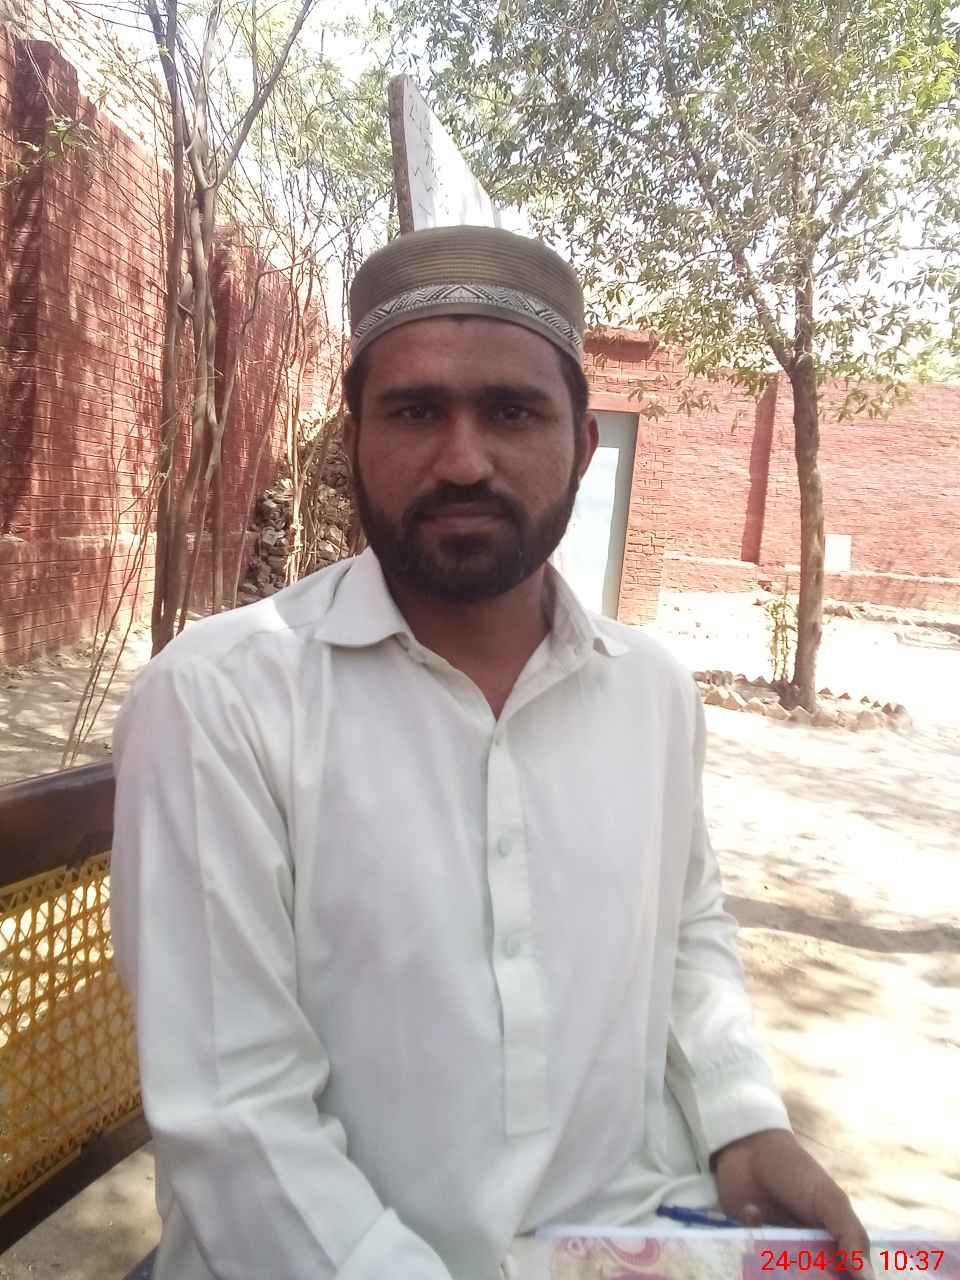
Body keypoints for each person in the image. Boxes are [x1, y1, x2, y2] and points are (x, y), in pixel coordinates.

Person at [111, 225, 871, 1280]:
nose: (464, 460)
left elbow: (686, 929)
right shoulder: (222, 698)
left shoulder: (650, 691)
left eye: (512, 412)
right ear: (353, 440)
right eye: (416, 411)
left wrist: (743, 1121)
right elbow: (237, 1121)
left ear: (582, 444)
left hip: (618, 1241)